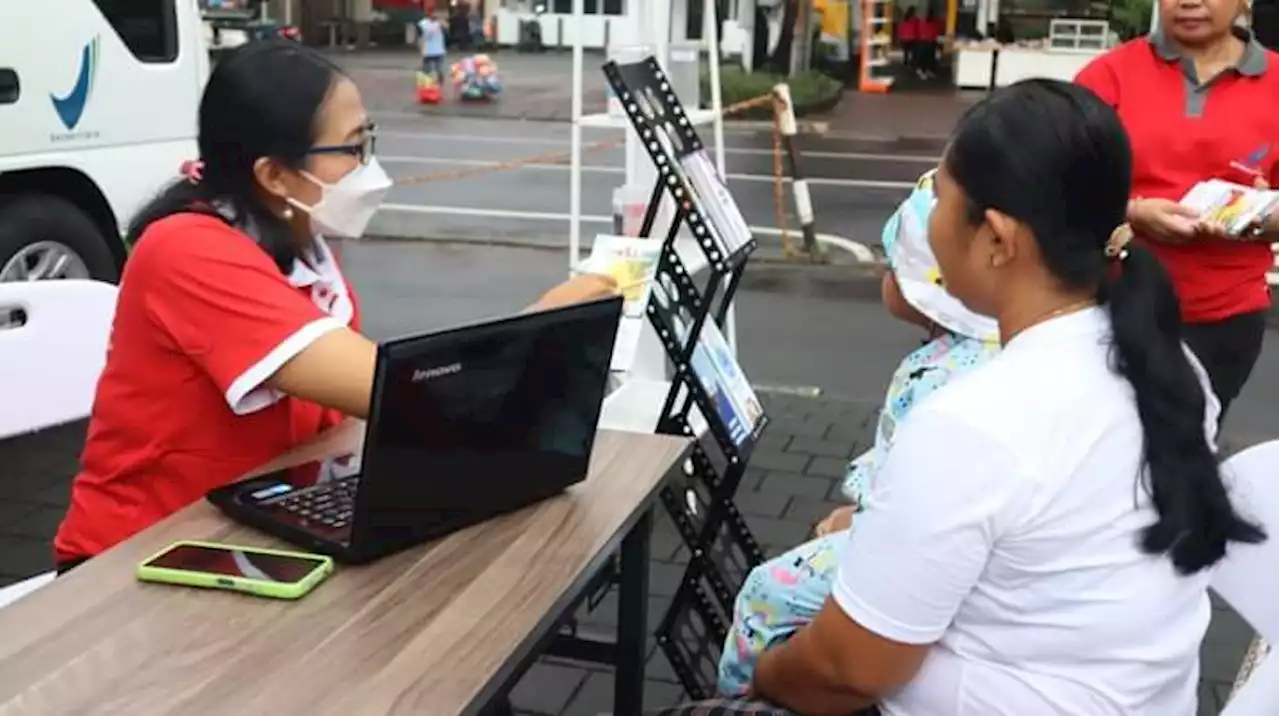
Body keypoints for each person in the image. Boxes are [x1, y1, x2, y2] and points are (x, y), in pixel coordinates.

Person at [722, 79, 1266, 715]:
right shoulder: (1170, 372)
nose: (927, 221)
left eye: (940, 200)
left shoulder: (972, 423)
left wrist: (763, 677)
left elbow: (848, 669)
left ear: (998, 240)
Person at [52, 40, 616, 572]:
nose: (368, 167)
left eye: (369, 140)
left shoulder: (297, 237)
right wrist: (540, 325)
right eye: (353, 149)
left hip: (249, 522)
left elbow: (356, 407)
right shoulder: (188, 252)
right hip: (137, 555)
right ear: (274, 174)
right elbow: (396, 396)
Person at [1075, 0, 1280, 419]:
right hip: (1106, 306)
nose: (1188, 2)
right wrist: (1132, 211)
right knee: (1098, 446)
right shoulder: (1107, 75)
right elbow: (1060, 178)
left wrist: (1266, 216)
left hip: (1225, 315)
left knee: (1188, 450)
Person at [813, 170, 1000, 537]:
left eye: (891, 267)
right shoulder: (1011, 349)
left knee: (765, 586)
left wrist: (849, 522)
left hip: (905, 542)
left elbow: (905, 502)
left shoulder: (929, 378)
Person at [418, 10, 447, 85]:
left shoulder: (439, 23)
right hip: (428, 50)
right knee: (427, 69)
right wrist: (421, 49)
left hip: (438, 50)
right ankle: (427, 83)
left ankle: (440, 83)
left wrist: (440, 20)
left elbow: (446, 26)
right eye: (432, 14)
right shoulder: (422, 24)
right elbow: (420, 38)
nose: (434, 15)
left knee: (439, 69)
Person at [918, 8, 943, 78]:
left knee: (924, 57)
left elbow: (920, 32)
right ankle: (926, 70)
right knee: (930, 57)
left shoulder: (922, 23)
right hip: (930, 42)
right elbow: (935, 34)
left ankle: (923, 70)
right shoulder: (934, 24)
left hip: (922, 41)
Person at [897, 7, 922, 77]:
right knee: (915, 51)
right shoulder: (916, 20)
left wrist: (899, 37)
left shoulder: (904, 19)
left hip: (904, 39)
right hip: (912, 39)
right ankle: (913, 64)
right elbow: (918, 30)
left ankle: (905, 62)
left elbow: (900, 29)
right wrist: (918, 37)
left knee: (906, 51)